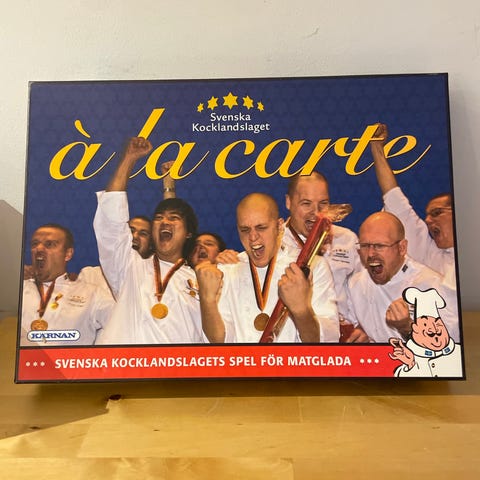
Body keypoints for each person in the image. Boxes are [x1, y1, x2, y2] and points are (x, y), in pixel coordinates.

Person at [93, 137, 204, 344]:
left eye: (173, 218)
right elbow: (111, 223)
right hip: (127, 363)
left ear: (189, 233)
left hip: (179, 364)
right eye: (158, 218)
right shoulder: (130, 268)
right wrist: (129, 159)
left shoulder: (201, 281)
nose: (164, 222)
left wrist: (169, 185)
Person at [195, 192, 339, 343]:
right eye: (245, 230)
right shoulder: (228, 269)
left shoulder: (312, 267)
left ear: (279, 227)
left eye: (261, 228)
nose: (253, 237)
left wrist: (302, 311)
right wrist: (207, 300)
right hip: (243, 359)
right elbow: (219, 342)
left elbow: (327, 342)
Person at [346, 212, 459, 343]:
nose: (370, 254)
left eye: (379, 246)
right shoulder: (355, 283)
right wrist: (361, 330)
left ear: (402, 248)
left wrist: (406, 327)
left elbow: (448, 347)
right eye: (365, 246)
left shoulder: (432, 287)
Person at [282, 172, 368, 342]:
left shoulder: (347, 239)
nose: (316, 213)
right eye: (306, 203)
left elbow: (368, 288)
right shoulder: (275, 244)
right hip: (301, 340)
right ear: (288, 202)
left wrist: (366, 325)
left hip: (348, 339)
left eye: (323, 204)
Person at [370, 123, 456, 287]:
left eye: (436, 213)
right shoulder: (429, 253)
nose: (428, 220)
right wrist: (376, 148)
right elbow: (393, 196)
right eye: (427, 215)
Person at [20, 223, 114, 346]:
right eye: (34, 244)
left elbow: (123, 327)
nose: (39, 249)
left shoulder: (94, 295)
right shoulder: (18, 289)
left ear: (68, 254)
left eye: (49, 244)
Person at [389, 287, 463, 377]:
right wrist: (411, 364)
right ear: (415, 328)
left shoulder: (457, 352)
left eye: (438, 324)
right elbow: (400, 375)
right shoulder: (412, 356)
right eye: (425, 325)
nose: (434, 330)